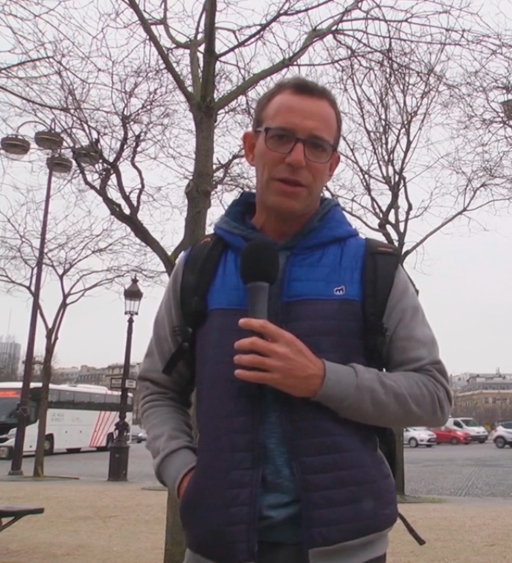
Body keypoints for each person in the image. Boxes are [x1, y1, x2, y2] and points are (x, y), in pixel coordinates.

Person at [137, 77, 452, 563]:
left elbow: (433, 397)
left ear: (332, 164)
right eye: (281, 137)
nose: (297, 158)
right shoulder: (198, 268)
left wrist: (321, 379)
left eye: (317, 146)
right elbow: (156, 389)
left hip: (349, 549)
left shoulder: (375, 269)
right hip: (217, 546)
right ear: (251, 146)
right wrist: (182, 473)